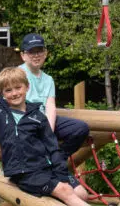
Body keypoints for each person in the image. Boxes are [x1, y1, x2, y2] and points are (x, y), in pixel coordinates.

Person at [0, 66, 98, 206]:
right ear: (3, 93)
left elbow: (52, 147)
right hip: (24, 172)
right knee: (65, 190)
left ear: (27, 87)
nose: (14, 93)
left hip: (45, 167)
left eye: (18, 88)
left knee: (81, 193)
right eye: (8, 90)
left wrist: (62, 175)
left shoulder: (37, 116)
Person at [19, 32, 90, 169]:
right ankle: (42, 162)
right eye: (31, 52)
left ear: (45, 53)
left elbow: (50, 106)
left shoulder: (48, 79)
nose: (36, 55)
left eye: (39, 51)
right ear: (23, 55)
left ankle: (56, 158)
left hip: (44, 121)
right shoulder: (18, 74)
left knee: (81, 128)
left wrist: (48, 132)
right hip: (25, 120)